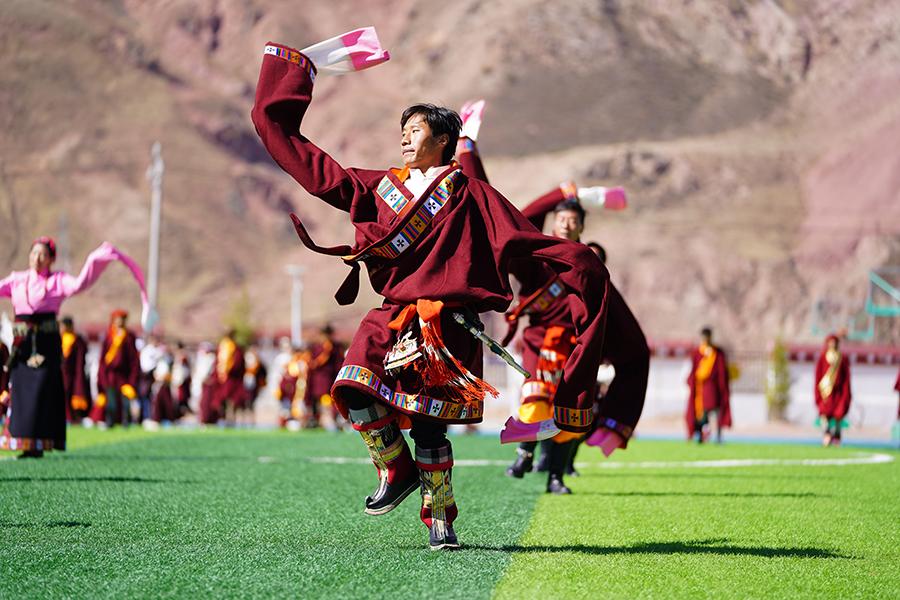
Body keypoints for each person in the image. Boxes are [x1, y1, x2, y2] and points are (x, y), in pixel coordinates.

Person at [251, 34, 608, 549]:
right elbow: (313, 168)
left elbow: (525, 239)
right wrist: (282, 90)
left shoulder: (473, 195)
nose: (404, 139)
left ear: (442, 140)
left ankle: (440, 517)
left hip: (449, 326)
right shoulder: (379, 188)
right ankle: (395, 469)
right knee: (351, 386)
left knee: (431, 428)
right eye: (402, 131)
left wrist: (582, 263)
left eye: (414, 130)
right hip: (393, 316)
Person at [454, 107, 648, 494]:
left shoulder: (589, 267)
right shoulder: (536, 260)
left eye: (574, 220)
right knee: (535, 399)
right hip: (539, 344)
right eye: (561, 218)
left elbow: (624, 332)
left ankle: (557, 476)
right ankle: (525, 453)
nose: (567, 223)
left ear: (582, 227)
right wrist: (563, 194)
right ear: (554, 223)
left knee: (571, 412)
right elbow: (508, 221)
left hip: (575, 350)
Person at [0, 237, 151, 456]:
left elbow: (80, 284)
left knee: (42, 390)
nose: (37, 258)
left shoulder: (58, 281)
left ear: (51, 259)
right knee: (21, 391)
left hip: (46, 343)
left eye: (43, 255)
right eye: (34, 253)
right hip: (22, 344)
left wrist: (95, 260)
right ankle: (22, 442)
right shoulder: (17, 280)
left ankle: (40, 443)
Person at [94, 309, 141, 428]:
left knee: (126, 400)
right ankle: (110, 421)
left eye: (122, 319)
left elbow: (133, 359)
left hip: (124, 375)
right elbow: (103, 358)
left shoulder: (129, 336)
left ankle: (126, 422)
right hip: (110, 375)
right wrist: (102, 375)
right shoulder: (109, 335)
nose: (119, 321)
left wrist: (133, 378)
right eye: (117, 319)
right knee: (111, 400)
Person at [685, 327, 732, 443]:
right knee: (701, 415)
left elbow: (722, 373)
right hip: (700, 389)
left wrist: (723, 388)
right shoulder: (697, 352)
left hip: (714, 389)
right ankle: (699, 436)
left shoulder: (717, 353)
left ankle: (718, 436)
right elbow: (693, 371)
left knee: (715, 413)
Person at [814, 334, 852, 446]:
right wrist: (819, 392)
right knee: (824, 414)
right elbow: (818, 376)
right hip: (826, 392)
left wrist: (846, 393)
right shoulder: (823, 357)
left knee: (838, 415)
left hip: (838, 393)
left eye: (834, 342)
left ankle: (837, 435)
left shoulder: (842, 358)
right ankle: (826, 434)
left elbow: (846, 377)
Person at [306, 325, 345, 430]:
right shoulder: (316, 347)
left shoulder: (336, 347)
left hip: (331, 377)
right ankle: (316, 420)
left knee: (331, 399)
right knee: (316, 400)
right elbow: (312, 362)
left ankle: (334, 420)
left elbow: (339, 362)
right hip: (317, 378)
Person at [59, 315, 92, 423]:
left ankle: (71, 417)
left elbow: (80, 359)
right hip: (61, 373)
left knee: (72, 394)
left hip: (73, 373)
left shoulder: (77, 340)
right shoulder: (60, 339)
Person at [212, 329, 246, 425]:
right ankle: (225, 419)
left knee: (232, 401)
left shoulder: (233, 349)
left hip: (232, 379)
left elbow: (238, 364)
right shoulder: (224, 348)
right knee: (224, 401)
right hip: (225, 379)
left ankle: (230, 420)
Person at [242, 344, 268, 425]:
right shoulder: (245, 360)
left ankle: (252, 420)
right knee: (245, 403)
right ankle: (244, 420)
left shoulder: (258, 362)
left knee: (251, 402)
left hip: (253, 384)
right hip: (245, 383)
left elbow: (263, 372)